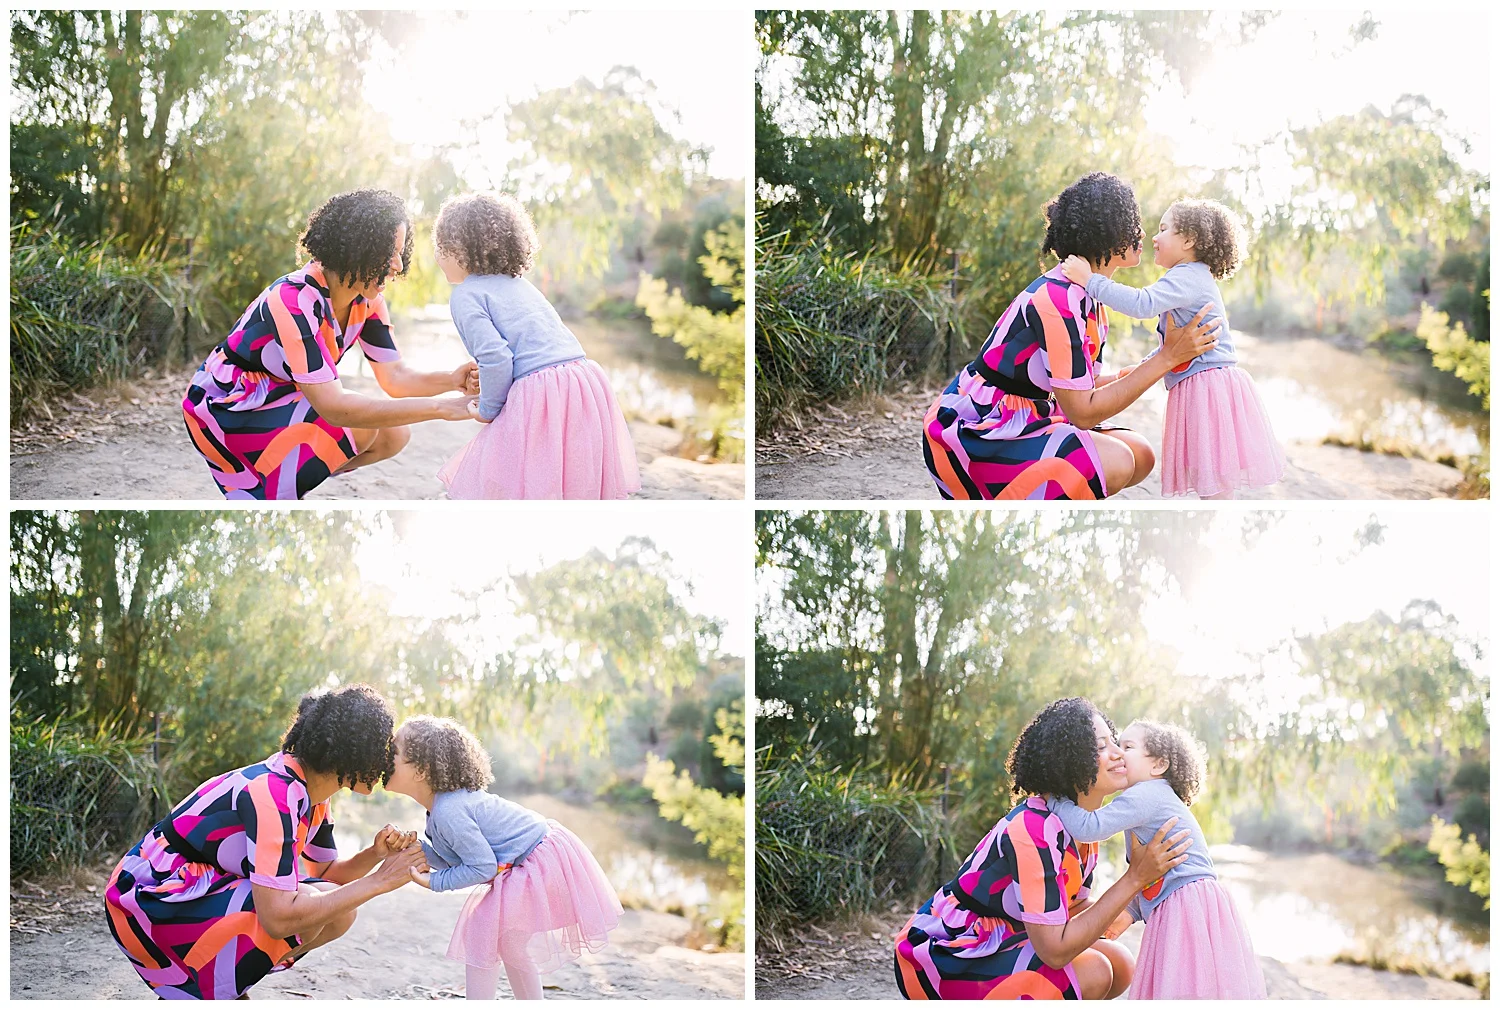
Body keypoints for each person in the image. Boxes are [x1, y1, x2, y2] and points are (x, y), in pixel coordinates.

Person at [103, 685, 426, 999]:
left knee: (337, 910)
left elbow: (327, 873)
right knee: (303, 907)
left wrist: (375, 855)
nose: (385, 763)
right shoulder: (273, 791)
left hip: (196, 888)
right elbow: (278, 919)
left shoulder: (312, 794)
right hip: (151, 896)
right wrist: (382, 881)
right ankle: (206, 989)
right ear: (352, 751)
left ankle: (218, 988)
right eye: (380, 750)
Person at [922, 172, 1221, 499]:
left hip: (1031, 413)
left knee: (1142, 454)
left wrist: (1164, 361)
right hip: (980, 432)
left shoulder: (1089, 297)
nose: (1143, 233)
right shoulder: (1058, 298)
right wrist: (1167, 359)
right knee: (1119, 461)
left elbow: (1085, 385)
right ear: (1106, 232)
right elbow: (1082, 411)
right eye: (1131, 223)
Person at [183, 189, 479, 499]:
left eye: (400, 252)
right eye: (387, 251)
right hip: (230, 403)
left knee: (393, 434)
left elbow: (395, 377)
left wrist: (451, 381)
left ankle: (281, 480)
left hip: (283, 392)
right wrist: (443, 408)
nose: (396, 265)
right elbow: (334, 407)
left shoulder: (368, 301)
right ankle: (270, 487)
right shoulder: (293, 299)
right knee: (358, 428)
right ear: (355, 247)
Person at [894, 698, 1192, 999]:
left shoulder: (1083, 832)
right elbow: (1055, 950)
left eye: (1114, 742)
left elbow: (1072, 911)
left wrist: (1144, 907)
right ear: (1070, 759)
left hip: (1008, 935)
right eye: (1101, 747)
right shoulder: (1034, 828)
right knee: (1095, 970)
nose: (1119, 754)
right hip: (948, 953)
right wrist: (1134, 878)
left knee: (1121, 962)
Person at [385, 715, 621, 1000]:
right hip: (530, 857)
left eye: (393, 751)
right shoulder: (440, 810)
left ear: (421, 771)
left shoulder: (449, 810)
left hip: (538, 858)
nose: (386, 755)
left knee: (481, 930)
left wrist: (435, 882)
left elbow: (482, 867)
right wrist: (420, 849)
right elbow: (460, 860)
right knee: (509, 941)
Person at [1062, 198, 1284, 498]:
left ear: (1189, 239)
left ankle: (1215, 526)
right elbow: (1175, 346)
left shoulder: (1187, 276)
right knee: (1211, 476)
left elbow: (1142, 304)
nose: (1153, 237)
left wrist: (1090, 281)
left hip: (1206, 386)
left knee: (1213, 477)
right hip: (1205, 383)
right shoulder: (1192, 277)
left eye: (1164, 229)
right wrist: (1145, 365)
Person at [432, 192, 640, 499]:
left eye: (441, 247)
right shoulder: (519, 285)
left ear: (462, 251)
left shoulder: (466, 295)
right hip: (583, 381)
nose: (436, 256)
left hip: (541, 389)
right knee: (566, 472)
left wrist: (488, 409)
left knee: (507, 473)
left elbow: (497, 358)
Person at [1051, 719, 1266, 998]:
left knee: (1179, 985)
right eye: (1116, 745)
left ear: (1158, 765)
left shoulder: (1145, 794)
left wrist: (1055, 798)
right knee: (1190, 983)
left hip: (1183, 900)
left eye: (1127, 746)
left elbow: (1090, 827)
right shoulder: (1152, 796)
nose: (1117, 753)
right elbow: (1157, 873)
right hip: (1188, 897)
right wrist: (1131, 912)